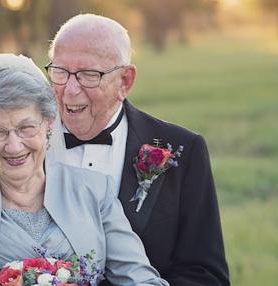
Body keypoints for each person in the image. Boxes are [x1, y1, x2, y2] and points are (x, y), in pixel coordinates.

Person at [0, 54, 168, 286]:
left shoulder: (94, 190)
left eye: (26, 128)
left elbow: (141, 279)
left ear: (48, 124)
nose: (14, 146)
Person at [46, 14, 229, 286]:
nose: (70, 90)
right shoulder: (22, 146)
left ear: (125, 81)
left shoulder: (184, 150)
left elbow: (206, 276)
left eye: (88, 75)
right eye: (60, 72)